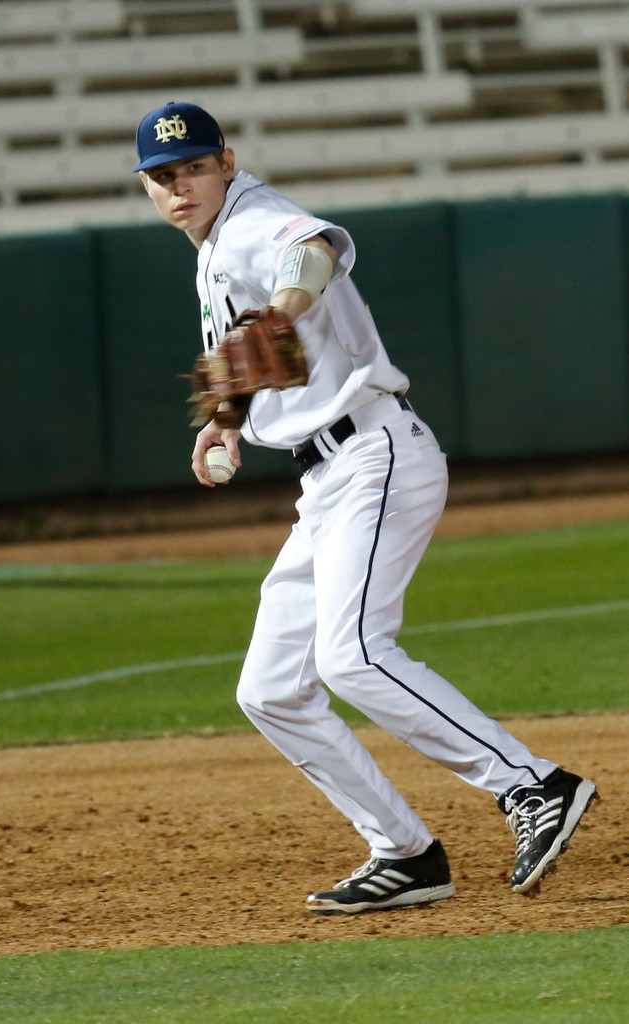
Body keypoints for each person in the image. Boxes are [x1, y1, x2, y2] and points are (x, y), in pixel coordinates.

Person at [135, 101, 598, 915]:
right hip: (327, 478)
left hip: (375, 454)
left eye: (194, 168)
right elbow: (268, 360)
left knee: (351, 654)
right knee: (271, 688)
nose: (181, 188)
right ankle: (406, 853)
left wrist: (283, 310)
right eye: (164, 177)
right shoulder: (214, 248)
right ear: (146, 187)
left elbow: (310, 255)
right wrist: (229, 421)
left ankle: (534, 786)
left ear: (228, 163)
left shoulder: (254, 219)